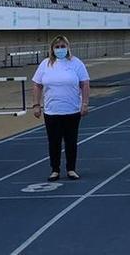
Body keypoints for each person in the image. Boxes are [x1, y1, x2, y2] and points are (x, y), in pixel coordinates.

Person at [31, 36, 90, 181]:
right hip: (52, 111)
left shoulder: (76, 63)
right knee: (54, 141)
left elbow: (85, 84)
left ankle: (71, 169)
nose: (60, 50)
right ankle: (55, 169)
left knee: (71, 141)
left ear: (68, 47)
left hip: (71, 110)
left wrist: (85, 103)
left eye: (63, 46)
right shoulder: (45, 64)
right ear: (52, 49)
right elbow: (37, 85)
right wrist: (36, 104)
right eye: (57, 47)